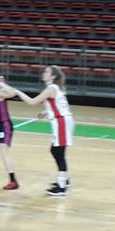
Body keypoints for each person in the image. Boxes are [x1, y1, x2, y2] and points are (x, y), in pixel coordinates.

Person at [13, 65, 75, 196]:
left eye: (46, 72)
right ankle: (64, 179)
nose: (44, 73)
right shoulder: (54, 88)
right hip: (62, 121)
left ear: (53, 76)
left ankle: (62, 187)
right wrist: (47, 112)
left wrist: (18, 92)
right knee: (56, 151)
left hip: (62, 122)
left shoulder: (51, 88)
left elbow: (32, 102)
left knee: (58, 152)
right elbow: (59, 105)